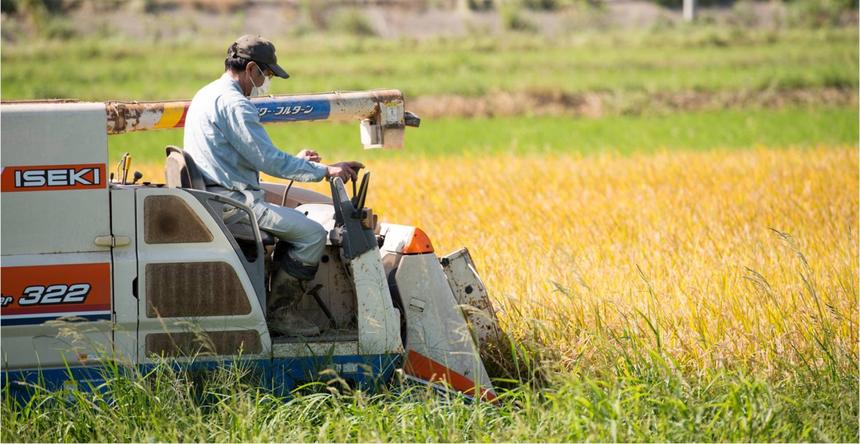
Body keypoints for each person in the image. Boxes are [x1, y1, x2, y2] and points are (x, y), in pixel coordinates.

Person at [183, 34, 363, 336]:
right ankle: (280, 313)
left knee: (293, 227)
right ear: (251, 69)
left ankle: (270, 301)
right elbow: (268, 160)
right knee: (312, 235)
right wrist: (326, 171)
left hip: (214, 195)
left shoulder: (206, 94)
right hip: (234, 203)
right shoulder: (235, 105)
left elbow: (241, 155)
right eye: (265, 74)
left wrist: (297, 161)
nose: (266, 81)